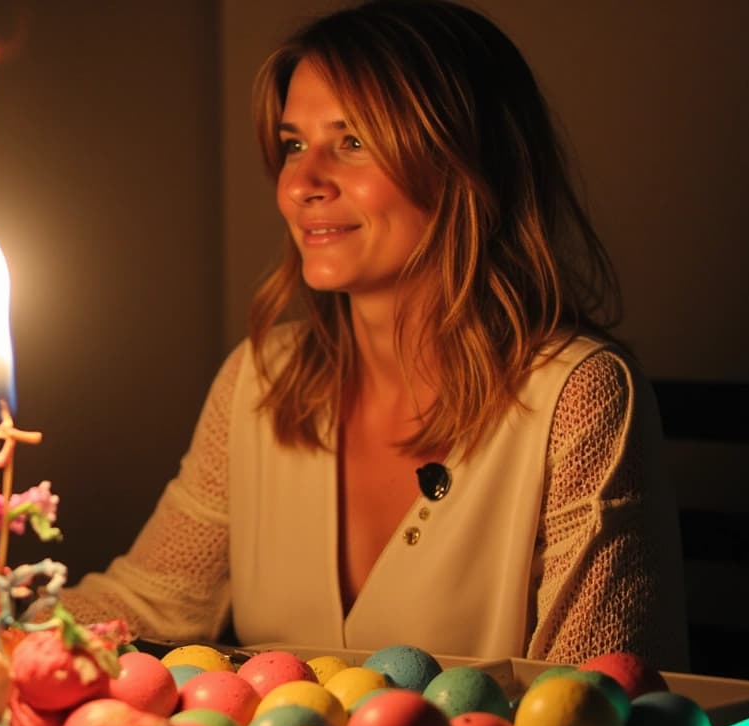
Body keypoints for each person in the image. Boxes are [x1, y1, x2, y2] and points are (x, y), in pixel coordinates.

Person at [61, 0, 688, 670]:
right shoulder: (262, 379)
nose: (300, 182)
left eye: (353, 142)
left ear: (464, 163)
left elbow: (596, 709)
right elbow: (147, 605)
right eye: (294, 143)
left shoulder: (580, 396)